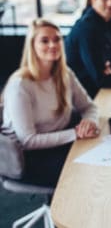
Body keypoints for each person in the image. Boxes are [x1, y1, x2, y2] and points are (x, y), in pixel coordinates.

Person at [1, 18, 99, 187]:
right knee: (85, 173)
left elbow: (89, 106)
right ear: (32, 46)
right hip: (26, 158)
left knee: (97, 154)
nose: (52, 45)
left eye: (57, 39)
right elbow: (28, 140)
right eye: (44, 41)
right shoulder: (20, 85)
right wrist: (75, 134)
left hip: (57, 142)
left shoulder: (65, 74)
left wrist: (89, 121)